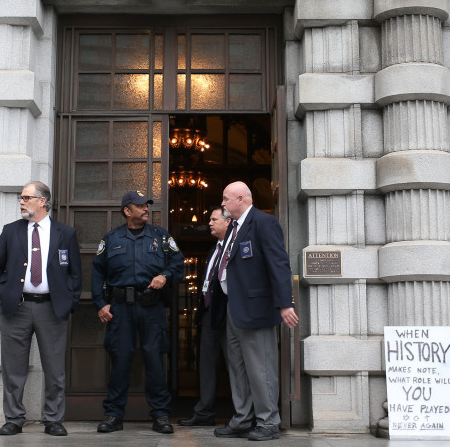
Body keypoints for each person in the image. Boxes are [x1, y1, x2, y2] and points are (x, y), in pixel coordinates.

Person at [0, 181, 82, 437]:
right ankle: (14, 419)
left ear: (43, 201)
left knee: (54, 368)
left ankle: (53, 419)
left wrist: (68, 301)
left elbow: (75, 274)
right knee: (13, 368)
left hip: (52, 309)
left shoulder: (65, 233)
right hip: (15, 309)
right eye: (21, 197)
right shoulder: (10, 231)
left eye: (27, 197)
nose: (21, 202)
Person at [91, 190, 185, 434]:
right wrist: (101, 303)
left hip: (151, 307)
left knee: (154, 359)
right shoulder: (110, 239)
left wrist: (165, 276)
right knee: (120, 360)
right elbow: (97, 273)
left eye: (147, 205)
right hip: (120, 309)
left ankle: (161, 415)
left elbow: (178, 264)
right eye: (140, 205)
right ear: (127, 210)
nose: (146, 209)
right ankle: (113, 415)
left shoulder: (161, 237)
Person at [213, 181, 298, 441]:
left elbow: (279, 265)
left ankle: (268, 421)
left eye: (226, 199)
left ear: (241, 199)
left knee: (261, 367)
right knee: (238, 367)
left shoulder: (264, 223)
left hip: (257, 309)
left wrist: (285, 303)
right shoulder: (233, 229)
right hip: (234, 308)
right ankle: (242, 419)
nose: (224, 205)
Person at [179, 205, 232, 427]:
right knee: (207, 365)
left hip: (231, 314)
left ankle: (245, 414)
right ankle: (205, 412)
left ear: (227, 222)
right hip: (210, 315)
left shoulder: (234, 246)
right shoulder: (214, 250)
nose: (208, 223)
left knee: (236, 366)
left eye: (213, 219)